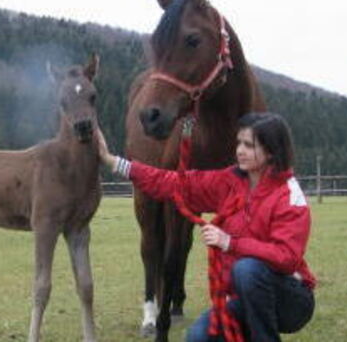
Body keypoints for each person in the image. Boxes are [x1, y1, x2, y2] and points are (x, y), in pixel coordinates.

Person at [97, 112, 316, 342]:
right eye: (239, 143)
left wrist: (231, 243)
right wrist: (114, 162)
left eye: (249, 145)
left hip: (291, 300)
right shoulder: (229, 182)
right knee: (198, 337)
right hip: (246, 295)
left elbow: (287, 257)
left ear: (271, 151)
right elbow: (173, 183)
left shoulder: (290, 195)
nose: (240, 150)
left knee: (247, 269)